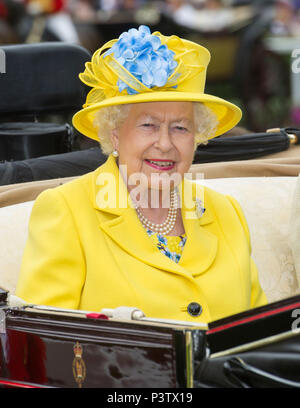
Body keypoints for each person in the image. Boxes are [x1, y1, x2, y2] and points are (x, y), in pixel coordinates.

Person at [16, 25, 267, 323]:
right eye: (148, 125)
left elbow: (258, 333)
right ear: (115, 134)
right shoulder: (66, 212)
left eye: (181, 128)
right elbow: (43, 341)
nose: (165, 143)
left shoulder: (226, 213)